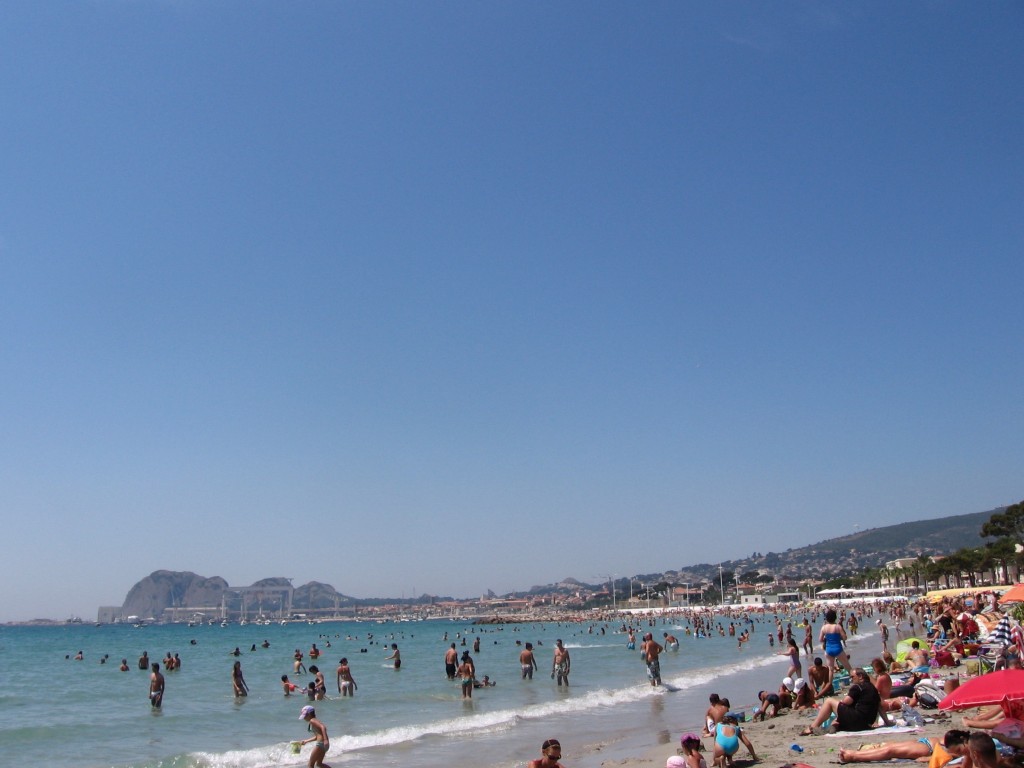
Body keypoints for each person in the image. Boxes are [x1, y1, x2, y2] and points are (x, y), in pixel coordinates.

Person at [800, 667, 881, 735]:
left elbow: (846, 701)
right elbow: (880, 706)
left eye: (852, 677)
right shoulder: (873, 689)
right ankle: (835, 726)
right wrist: (886, 722)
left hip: (856, 721)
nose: (851, 679)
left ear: (860, 676)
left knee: (829, 701)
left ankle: (813, 727)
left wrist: (841, 701)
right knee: (839, 717)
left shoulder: (858, 687)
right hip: (866, 724)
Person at [837, 729, 970, 766]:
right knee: (890, 747)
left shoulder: (968, 752)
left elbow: (950, 756)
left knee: (890, 750)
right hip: (925, 742)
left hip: (927, 748)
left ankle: (852, 756)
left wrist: (928, 758)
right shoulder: (969, 745)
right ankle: (853, 753)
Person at [819, 608, 852, 685]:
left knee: (831, 669)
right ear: (835, 617)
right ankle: (854, 679)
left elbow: (820, 639)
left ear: (827, 618)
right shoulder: (837, 626)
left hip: (828, 650)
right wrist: (838, 637)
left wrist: (827, 638)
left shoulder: (824, 627)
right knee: (847, 666)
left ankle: (830, 685)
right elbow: (845, 637)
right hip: (838, 649)